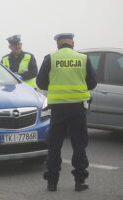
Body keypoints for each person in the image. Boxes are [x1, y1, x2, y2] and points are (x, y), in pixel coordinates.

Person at [36, 33, 97, 192]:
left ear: (58, 44)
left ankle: (52, 183)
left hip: (58, 108)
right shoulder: (83, 58)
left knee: (54, 145)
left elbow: (41, 82)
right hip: (78, 107)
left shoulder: (50, 58)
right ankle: (80, 182)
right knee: (79, 145)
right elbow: (92, 83)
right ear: (72, 43)